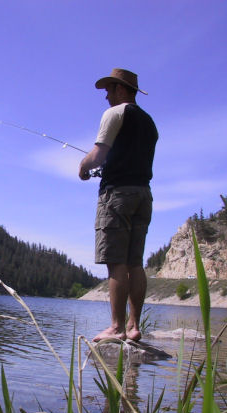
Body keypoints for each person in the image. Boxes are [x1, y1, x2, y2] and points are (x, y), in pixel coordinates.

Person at [79, 68, 158, 342]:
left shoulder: (114, 113)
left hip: (117, 196)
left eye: (109, 90)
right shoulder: (149, 122)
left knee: (116, 264)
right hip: (143, 195)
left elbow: (98, 156)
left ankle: (116, 327)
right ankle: (135, 327)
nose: (106, 97)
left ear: (122, 90)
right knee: (135, 264)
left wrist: (82, 166)